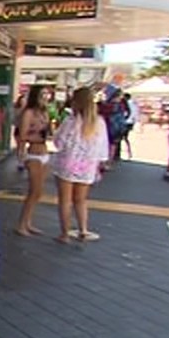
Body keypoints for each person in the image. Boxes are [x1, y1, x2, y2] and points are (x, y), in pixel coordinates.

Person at [51, 87, 110, 243]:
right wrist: (100, 163)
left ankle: (65, 234)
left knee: (65, 200)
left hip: (67, 163)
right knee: (81, 199)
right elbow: (103, 147)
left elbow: (59, 143)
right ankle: (83, 230)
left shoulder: (70, 121)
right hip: (88, 165)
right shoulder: (99, 122)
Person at [14, 84, 51, 236]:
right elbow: (22, 135)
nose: (45, 97)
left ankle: (28, 222)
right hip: (34, 153)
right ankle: (22, 224)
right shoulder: (28, 113)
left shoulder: (44, 112)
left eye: (47, 94)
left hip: (44, 152)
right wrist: (35, 136)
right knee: (34, 191)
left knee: (39, 192)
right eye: (42, 94)